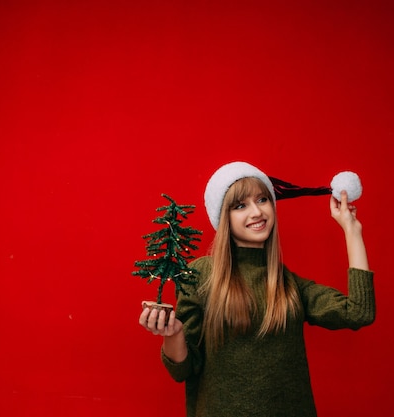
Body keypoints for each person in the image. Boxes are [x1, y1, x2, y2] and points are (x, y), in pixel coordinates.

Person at [138, 161, 375, 417]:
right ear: (224, 217)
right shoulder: (200, 275)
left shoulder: (289, 284)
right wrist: (172, 334)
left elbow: (359, 311)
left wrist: (352, 230)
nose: (256, 212)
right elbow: (183, 370)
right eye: (240, 205)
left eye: (262, 200)